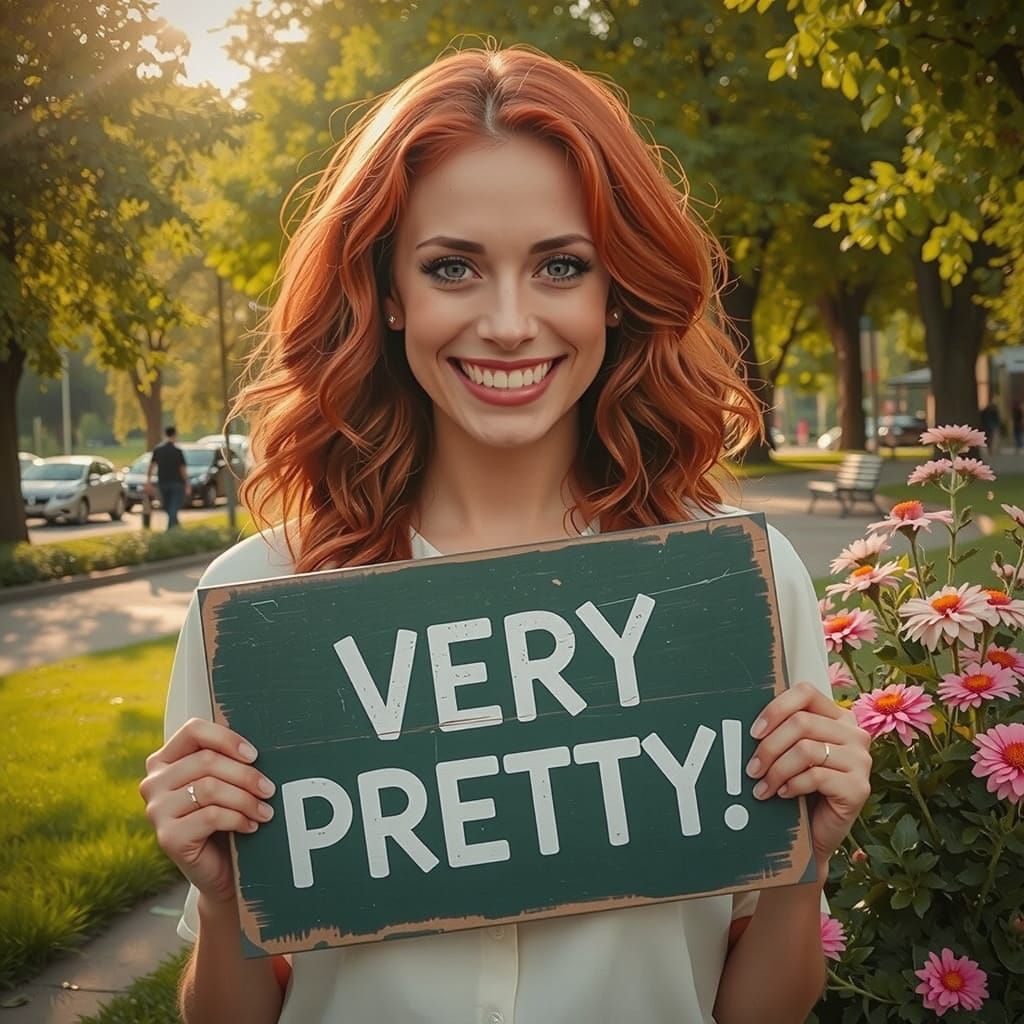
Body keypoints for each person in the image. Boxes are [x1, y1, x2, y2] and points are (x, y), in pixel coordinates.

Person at [139, 46, 871, 1024]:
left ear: (614, 290)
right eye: (453, 268)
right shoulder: (261, 609)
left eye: (560, 265)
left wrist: (801, 863)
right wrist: (223, 894)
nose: (510, 322)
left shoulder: (735, 583)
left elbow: (756, 1011)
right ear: (389, 291)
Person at [145, 425, 191, 529]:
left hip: (163, 483)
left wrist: (148, 481)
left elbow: (151, 467)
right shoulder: (177, 451)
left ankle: (177, 529)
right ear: (175, 435)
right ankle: (170, 530)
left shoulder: (158, 450)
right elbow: (182, 470)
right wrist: (188, 484)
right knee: (173, 508)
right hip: (177, 484)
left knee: (168, 507)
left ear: (165, 435)